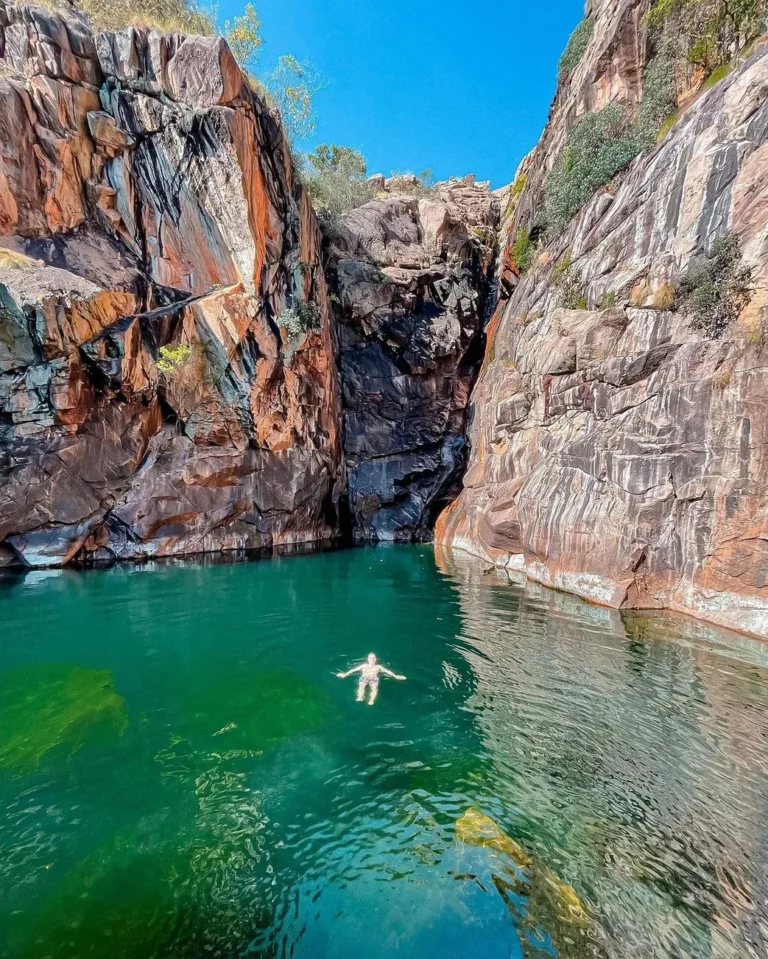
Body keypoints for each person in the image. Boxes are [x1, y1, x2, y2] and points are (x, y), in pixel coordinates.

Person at [336, 653, 406, 705]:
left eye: (373, 658)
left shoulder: (379, 667)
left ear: (375, 659)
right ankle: (360, 697)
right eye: (371, 658)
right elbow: (354, 670)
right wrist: (345, 674)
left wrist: (396, 676)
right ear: (368, 659)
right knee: (361, 687)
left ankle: (371, 699)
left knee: (374, 688)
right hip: (364, 677)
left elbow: (388, 671)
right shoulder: (364, 665)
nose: (372, 659)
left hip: (374, 678)